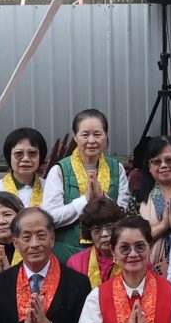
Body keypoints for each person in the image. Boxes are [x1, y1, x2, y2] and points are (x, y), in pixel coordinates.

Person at [46, 109, 133, 257]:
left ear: (106, 135)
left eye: (97, 134)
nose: (91, 141)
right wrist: (85, 200)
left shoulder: (116, 168)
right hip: (68, 253)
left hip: (109, 252)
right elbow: (50, 218)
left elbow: (123, 215)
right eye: (85, 135)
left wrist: (103, 198)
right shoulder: (59, 170)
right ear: (75, 137)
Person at [134, 139, 171, 247]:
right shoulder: (137, 197)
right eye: (156, 162)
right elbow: (130, 237)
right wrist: (162, 226)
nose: (163, 165)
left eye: (169, 160)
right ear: (149, 167)